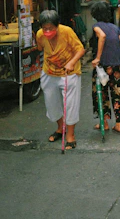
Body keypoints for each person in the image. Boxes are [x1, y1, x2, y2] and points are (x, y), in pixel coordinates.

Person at [35, 10, 85, 150]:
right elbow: (41, 48)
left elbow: (80, 49)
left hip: (69, 73)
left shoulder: (67, 32)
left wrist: (71, 62)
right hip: (49, 72)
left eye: (51, 28)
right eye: (45, 28)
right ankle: (60, 128)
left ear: (57, 26)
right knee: (51, 104)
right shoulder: (40, 35)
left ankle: (70, 135)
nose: (48, 31)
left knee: (70, 104)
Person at [91, 1, 120, 133]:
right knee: (118, 94)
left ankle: (104, 122)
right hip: (117, 64)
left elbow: (102, 36)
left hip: (102, 66)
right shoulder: (114, 27)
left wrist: (98, 57)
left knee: (101, 94)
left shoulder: (96, 27)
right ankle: (119, 124)